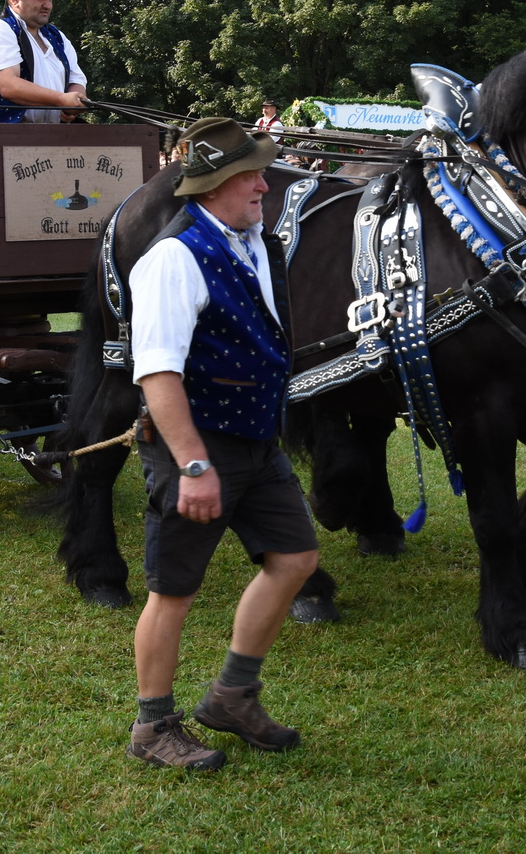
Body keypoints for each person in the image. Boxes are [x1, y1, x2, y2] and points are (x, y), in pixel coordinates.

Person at [124, 117, 319, 771]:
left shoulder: (252, 239)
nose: (265, 184)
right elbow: (157, 373)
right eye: (250, 176)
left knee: (295, 556)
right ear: (212, 189)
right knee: (173, 589)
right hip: (197, 446)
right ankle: (153, 727)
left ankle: (233, 694)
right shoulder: (173, 259)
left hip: (256, 440)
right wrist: (194, 463)